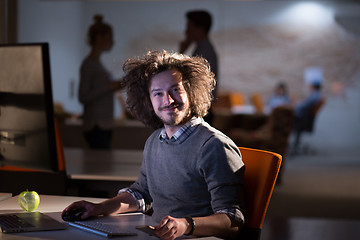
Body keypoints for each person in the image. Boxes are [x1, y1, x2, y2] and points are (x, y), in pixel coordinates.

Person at [63, 50, 245, 240]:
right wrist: (99, 208)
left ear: (191, 92)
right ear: (148, 101)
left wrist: (185, 225)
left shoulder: (214, 146)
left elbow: (232, 220)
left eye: (176, 89)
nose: (168, 100)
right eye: (158, 93)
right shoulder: (154, 141)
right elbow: (142, 193)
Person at [78, 14, 123, 149]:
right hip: (96, 125)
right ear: (99, 38)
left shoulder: (97, 64)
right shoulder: (89, 64)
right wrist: (109, 87)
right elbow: (83, 96)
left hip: (102, 124)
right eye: (109, 38)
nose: (112, 42)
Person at [179, 10, 218, 125]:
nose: (185, 31)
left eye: (189, 27)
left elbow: (182, 75)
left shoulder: (204, 52)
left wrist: (181, 52)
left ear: (200, 29)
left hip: (201, 108)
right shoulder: (203, 48)